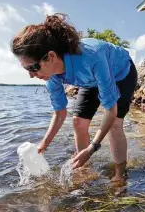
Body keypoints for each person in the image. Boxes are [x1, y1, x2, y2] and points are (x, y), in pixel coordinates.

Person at [11, 13, 137, 182]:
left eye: (33, 68)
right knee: (78, 122)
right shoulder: (52, 76)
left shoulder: (93, 57)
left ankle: (120, 174)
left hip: (121, 73)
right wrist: (44, 145)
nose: (31, 76)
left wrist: (93, 147)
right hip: (89, 80)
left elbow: (111, 110)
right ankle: (83, 168)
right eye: (26, 69)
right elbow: (60, 113)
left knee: (115, 124)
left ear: (51, 56)